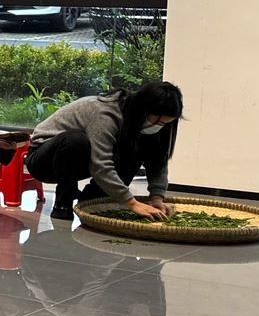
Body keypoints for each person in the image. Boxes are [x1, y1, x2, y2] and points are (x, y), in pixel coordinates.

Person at [27, 81, 184, 222]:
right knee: (74, 141)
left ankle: (93, 201)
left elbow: (157, 162)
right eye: (158, 121)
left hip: (82, 160)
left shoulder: (152, 125)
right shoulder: (105, 114)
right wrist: (131, 203)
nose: (159, 126)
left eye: (165, 123)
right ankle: (63, 205)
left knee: (133, 151)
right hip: (44, 159)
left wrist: (157, 198)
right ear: (144, 110)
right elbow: (101, 165)